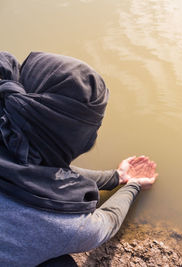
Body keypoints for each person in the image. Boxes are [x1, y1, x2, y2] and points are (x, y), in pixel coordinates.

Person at [0, 51, 158, 266]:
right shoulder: (65, 223)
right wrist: (133, 185)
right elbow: (106, 223)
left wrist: (115, 177)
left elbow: (33, 169)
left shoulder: (8, 120)